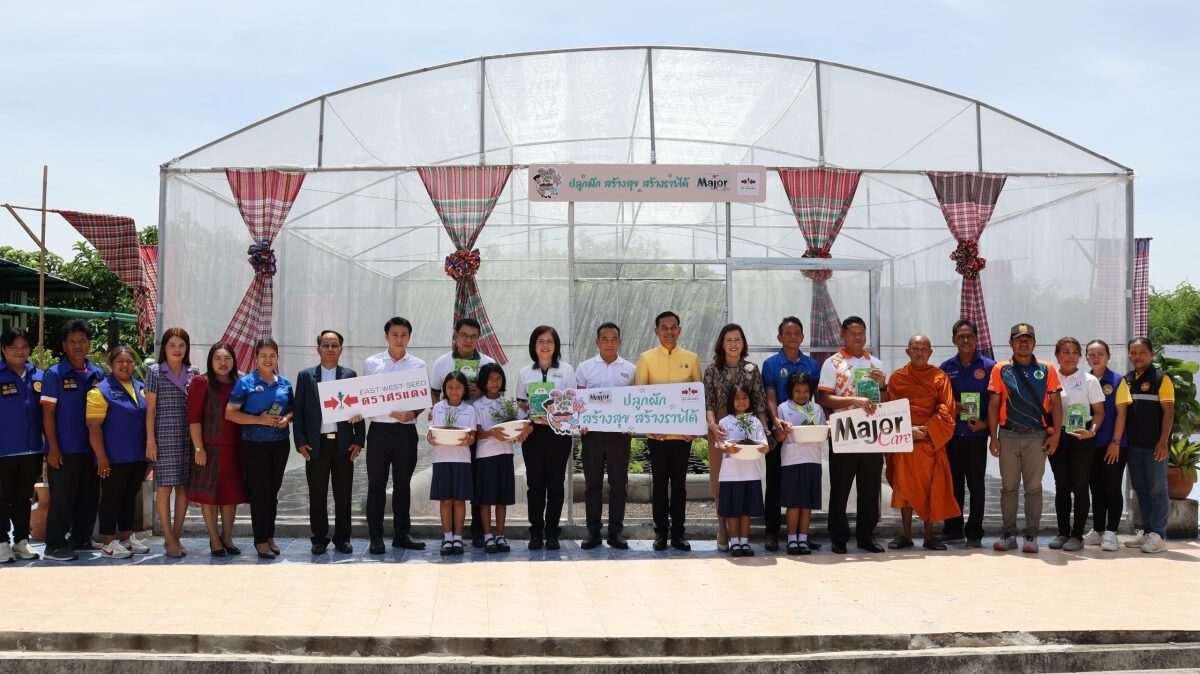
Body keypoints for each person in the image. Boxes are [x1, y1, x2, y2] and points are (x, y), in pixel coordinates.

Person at [987, 323, 1063, 554]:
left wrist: (1056, 435)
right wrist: (994, 437)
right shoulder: (1001, 369)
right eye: (1018, 339)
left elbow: (1057, 404)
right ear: (1010, 343)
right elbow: (993, 405)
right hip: (1008, 435)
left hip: (1036, 436)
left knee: (1034, 488)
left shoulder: (1047, 368)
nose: (1023, 343)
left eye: (1028, 339)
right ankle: (1008, 534)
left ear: (1034, 342)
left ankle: (1031, 536)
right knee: (1008, 488)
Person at [817, 316, 888, 554]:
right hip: (844, 430)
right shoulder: (833, 363)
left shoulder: (875, 363)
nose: (858, 337)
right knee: (840, 487)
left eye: (861, 332)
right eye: (853, 333)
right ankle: (838, 537)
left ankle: (866, 536)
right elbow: (824, 398)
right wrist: (853, 400)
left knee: (870, 487)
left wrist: (884, 386)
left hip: (870, 432)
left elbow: (885, 401)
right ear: (843, 335)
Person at [634, 310, 702, 552]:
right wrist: (649, 429)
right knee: (660, 486)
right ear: (656, 331)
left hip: (682, 437)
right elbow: (639, 395)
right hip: (657, 437)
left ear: (679, 330)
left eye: (673, 327)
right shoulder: (646, 358)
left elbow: (697, 395)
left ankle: (679, 535)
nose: (669, 331)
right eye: (664, 327)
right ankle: (660, 533)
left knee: (680, 486)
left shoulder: (691, 358)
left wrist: (694, 429)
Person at [293, 330, 365, 555]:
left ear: (341, 349)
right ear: (318, 349)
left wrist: (358, 440)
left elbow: (358, 410)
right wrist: (300, 442)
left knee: (343, 494)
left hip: (343, 444)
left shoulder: (350, 375)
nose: (330, 349)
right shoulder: (306, 376)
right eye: (326, 345)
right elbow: (299, 410)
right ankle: (319, 539)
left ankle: (343, 538)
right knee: (317, 493)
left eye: (335, 345)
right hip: (316, 444)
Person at [885, 335, 960, 551]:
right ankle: (906, 535)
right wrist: (908, 432)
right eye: (915, 348)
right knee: (904, 490)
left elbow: (947, 409)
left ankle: (929, 536)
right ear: (907, 351)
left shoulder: (939, 377)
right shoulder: (897, 378)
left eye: (924, 349)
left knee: (931, 489)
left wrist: (926, 430)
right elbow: (889, 411)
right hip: (904, 442)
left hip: (930, 441)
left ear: (931, 352)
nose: (920, 353)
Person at [40, 319, 105, 562]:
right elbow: (47, 414)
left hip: (91, 449)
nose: (78, 346)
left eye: (82, 341)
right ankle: (55, 544)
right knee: (62, 498)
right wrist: (53, 447)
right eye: (72, 342)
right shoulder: (53, 375)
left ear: (89, 344)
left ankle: (81, 538)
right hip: (64, 449)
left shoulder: (98, 374)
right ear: (64, 346)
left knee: (89, 497)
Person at [363, 317, 429, 555]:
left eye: (403, 334)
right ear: (386, 336)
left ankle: (402, 534)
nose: (399, 339)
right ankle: (376, 537)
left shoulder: (418, 365)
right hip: (379, 430)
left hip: (405, 431)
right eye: (394, 334)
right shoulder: (372, 363)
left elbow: (423, 399)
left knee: (403, 485)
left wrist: (412, 412)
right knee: (376, 486)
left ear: (409, 337)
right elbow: (365, 395)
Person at [430, 317, 495, 548]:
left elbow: (495, 390)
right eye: (464, 335)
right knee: (451, 489)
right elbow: (435, 392)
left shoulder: (487, 362)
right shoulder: (442, 362)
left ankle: (478, 529)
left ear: (479, 338)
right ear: (456, 336)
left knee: (477, 480)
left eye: (474, 336)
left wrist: (482, 390)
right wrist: (436, 414)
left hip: (479, 429)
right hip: (451, 434)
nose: (468, 340)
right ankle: (451, 534)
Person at [226, 338, 294, 560]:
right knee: (259, 493)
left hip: (280, 443)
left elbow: (292, 409)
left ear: (277, 358)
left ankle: (270, 535)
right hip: (254, 445)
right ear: (256, 357)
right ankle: (260, 540)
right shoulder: (245, 383)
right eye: (263, 355)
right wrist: (259, 420)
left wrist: (286, 418)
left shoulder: (284, 383)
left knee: (273, 492)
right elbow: (230, 413)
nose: (268, 359)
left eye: (272, 355)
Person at [703, 323, 768, 552]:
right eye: (729, 340)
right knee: (720, 479)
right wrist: (712, 426)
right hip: (721, 427)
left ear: (743, 343)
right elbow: (708, 402)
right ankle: (723, 529)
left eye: (737, 339)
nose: (733, 344)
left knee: (745, 478)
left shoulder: (752, 369)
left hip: (747, 427)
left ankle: (742, 535)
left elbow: (760, 402)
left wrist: (764, 429)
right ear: (722, 343)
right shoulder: (711, 370)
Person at [575, 322, 637, 550]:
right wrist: (581, 423)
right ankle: (592, 532)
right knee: (592, 485)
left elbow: (635, 401)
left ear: (620, 342)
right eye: (605, 339)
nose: (609, 343)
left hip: (620, 435)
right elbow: (578, 401)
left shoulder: (630, 369)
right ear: (597, 342)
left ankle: (616, 533)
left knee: (619, 484)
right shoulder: (584, 368)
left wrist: (632, 423)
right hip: (592, 435)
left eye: (614, 339)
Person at [762, 317, 821, 552]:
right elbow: (770, 396)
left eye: (797, 333)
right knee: (776, 482)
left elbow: (811, 396)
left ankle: (800, 535)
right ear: (779, 337)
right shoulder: (771, 364)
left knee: (802, 488)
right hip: (779, 432)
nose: (793, 337)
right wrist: (776, 421)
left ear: (803, 337)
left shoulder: (811, 365)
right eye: (788, 333)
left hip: (803, 438)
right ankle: (772, 533)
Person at [85, 346, 150, 559]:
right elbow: (94, 427)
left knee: (129, 497)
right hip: (113, 458)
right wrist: (101, 457)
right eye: (120, 361)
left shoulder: (141, 388)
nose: (125, 365)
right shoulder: (99, 391)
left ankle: (126, 538)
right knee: (111, 499)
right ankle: (108, 543)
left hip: (137, 457)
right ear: (110, 364)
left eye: (129, 361)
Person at [516, 325, 576, 551]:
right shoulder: (525, 373)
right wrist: (527, 421)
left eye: (549, 341)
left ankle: (552, 532)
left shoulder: (567, 371)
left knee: (556, 485)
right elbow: (521, 404)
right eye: (540, 341)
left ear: (556, 345)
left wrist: (553, 415)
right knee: (535, 485)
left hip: (558, 434)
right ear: (534, 345)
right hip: (533, 435)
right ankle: (536, 532)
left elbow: (571, 402)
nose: (545, 345)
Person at [938, 319, 995, 549]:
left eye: (969, 336)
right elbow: (939, 401)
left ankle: (974, 533)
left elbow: (996, 402)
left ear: (976, 338)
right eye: (960, 337)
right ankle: (953, 529)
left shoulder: (990, 366)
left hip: (977, 437)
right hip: (952, 436)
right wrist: (951, 408)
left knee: (976, 485)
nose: (965, 340)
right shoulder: (945, 367)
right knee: (953, 485)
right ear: (953, 340)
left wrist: (985, 425)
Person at [187, 342, 247, 556]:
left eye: (227, 358)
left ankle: (227, 536)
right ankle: (214, 539)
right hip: (209, 449)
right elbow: (194, 418)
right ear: (210, 361)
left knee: (231, 496)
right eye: (218, 358)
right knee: (210, 496)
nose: (223, 363)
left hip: (235, 448)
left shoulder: (241, 382)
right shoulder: (200, 382)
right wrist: (198, 448)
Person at [145, 327, 200, 558]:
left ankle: (176, 535)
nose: (177, 350)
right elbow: (150, 410)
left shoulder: (193, 372)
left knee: (184, 488)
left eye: (181, 345)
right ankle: (168, 539)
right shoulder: (155, 372)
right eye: (172, 345)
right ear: (164, 348)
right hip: (164, 438)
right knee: (165, 488)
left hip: (188, 438)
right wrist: (150, 441)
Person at [1049, 337, 1105, 552]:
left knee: (1080, 486)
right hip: (1057, 437)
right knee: (1061, 486)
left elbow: (1100, 411)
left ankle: (1077, 535)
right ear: (1057, 355)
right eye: (1065, 351)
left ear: (1079, 356)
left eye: (1074, 352)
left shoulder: (1089, 380)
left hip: (1081, 438)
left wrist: (1091, 432)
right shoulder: (1050, 377)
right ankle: (1062, 532)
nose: (1070, 356)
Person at [1122, 337, 1173, 554]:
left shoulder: (1162, 379)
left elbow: (1169, 413)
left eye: (1142, 352)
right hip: (1134, 447)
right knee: (1141, 490)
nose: (1137, 357)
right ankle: (1146, 531)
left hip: (1155, 447)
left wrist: (1162, 442)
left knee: (1158, 490)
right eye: (1133, 352)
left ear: (1151, 354)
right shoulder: (1128, 379)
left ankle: (1159, 536)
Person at [472, 363, 530, 553]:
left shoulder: (508, 403)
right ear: (483, 381)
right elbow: (478, 433)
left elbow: (525, 423)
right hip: (485, 456)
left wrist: (522, 434)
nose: (495, 383)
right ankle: (488, 536)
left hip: (505, 455)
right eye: (490, 379)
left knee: (502, 498)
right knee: (485, 498)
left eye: (498, 379)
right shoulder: (477, 405)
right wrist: (493, 433)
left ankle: (501, 535)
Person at [0, 327, 45, 563]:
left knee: (24, 497)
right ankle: (1, 543)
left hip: (32, 449)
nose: (20, 351)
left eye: (24, 347)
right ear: (3, 349)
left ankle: (21, 541)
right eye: (14, 347)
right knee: (1, 497)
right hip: (3, 450)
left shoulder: (39, 376)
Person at [1082, 339, 1130, 552]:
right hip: (1090, 445)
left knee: (1112, 487)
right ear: (1086, 357)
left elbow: (1122, 413)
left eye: (1100, 354)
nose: (1096, 358)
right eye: (1091, 354)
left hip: (1114, 444)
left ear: (1108, 356)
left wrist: (1116, 442)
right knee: (1096, 488)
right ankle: (1099, 530)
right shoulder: (1083, 380)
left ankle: (1112, 532)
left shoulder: (1118, 381)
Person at [771, 372, 825, 555]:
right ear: (790, 391)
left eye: (805, 391)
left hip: (813, 459)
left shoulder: (817, 408)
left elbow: (824, 432)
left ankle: (803, 539)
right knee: (793, 503)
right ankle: (791, 539)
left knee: (807, 503)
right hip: (792, 461)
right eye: (797, 391)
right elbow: (778, 437)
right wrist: (784, 430)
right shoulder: (783, 409)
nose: (801, 394)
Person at [716, 384, 769, 557]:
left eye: (745, 397)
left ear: (750, 400)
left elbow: (763, 443)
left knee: (746, 511)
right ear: (731, 401)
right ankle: (735, 542)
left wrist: (764, 448)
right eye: (737, 398)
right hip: (731, 475)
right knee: (733, 510)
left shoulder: (755, 422)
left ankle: (745, 542)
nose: (741, 401)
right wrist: (727, 448)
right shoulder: (724, 422)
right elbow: (721, 444)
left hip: (751, 473)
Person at [428, 372, 478, 556]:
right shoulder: (437, 408)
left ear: (464, 389)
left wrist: (468, 441)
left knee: (459, 500)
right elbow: (430, 435)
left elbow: (472, 436)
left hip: (461, 460)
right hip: (441, 459)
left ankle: (458, 537)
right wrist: (432, 440)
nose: (454, 391)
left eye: (458, 387)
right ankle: (447, 537)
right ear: (444, 389)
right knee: (445, 500)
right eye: (450, 387)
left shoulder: (470, 410)